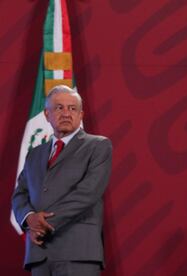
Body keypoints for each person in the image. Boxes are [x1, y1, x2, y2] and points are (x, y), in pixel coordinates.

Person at [11, 85, 112, 275]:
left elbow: (87, 193)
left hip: (78, 252)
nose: (66, 113)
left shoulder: (98, 146)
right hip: (39, 254)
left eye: (72, 108)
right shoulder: (34, 154)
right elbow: (20, 194)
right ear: (46, 114)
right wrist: (29, 218)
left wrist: (41, 224)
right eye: (59, 108)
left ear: (81, 115)